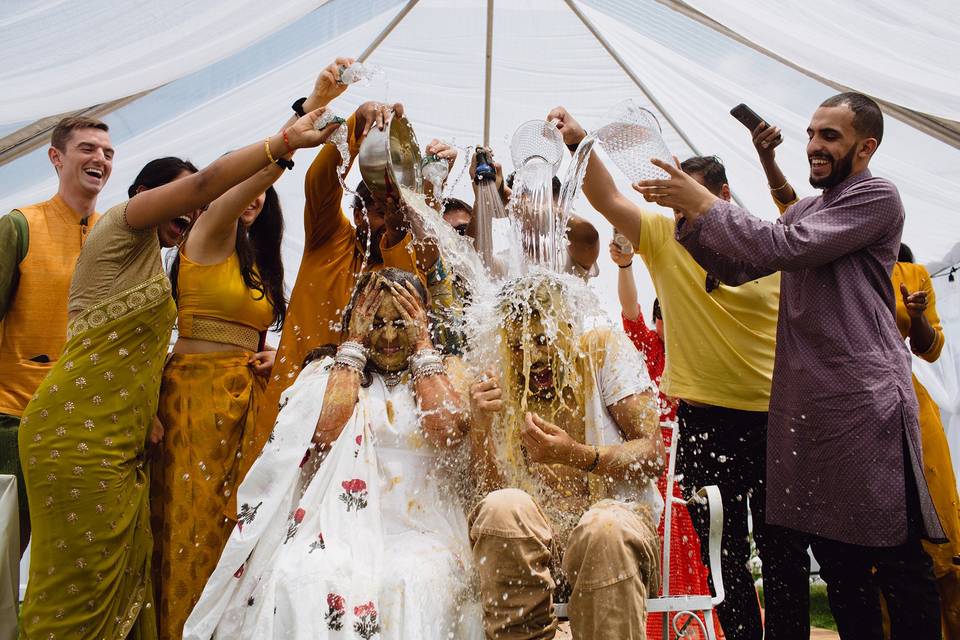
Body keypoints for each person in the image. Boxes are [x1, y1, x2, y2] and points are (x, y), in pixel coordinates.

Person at [16, 107, 340, 639]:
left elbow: (141, 359)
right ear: (148, 194)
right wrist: (288, 138)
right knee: (75, 585)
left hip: (128, 432)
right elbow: (214, 185)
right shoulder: (123, 225)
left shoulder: (149, 258)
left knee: (122, 577)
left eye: (107, 151)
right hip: (79, 430)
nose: (190, 208)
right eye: (182, 195)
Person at [634, 92, 945, 638]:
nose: (815, 145)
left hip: (864, 403)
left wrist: (705, 204)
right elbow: (738, 265)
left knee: (896, 557)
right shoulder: (810, 208)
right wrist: (689, 212)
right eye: (811, 133)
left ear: (866, 147)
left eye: (831, 136)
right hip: (813, 409)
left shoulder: (876, 196)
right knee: (841, 560)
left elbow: (786, 243)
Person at [548, 105, 795, 640]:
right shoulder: (666, 235)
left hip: (779, 422)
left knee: (782, 550)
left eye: (687, 199)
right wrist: (579, 143)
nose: (678, 212)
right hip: (705, 424)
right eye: (672, 201)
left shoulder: (771, 245)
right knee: (721, 551)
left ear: (723, 199)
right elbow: (608, 199)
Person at [148, 62, 351, 640]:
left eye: (263, 198)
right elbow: (236, 182)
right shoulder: (205, 235)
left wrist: (270, 353)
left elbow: (261, 327)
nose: (257, 202)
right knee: (194, 532)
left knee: (240, 527)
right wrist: (302, 116)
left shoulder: (254, 263)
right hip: (195, 398)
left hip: (248, 399)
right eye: (252, 193)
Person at [183, 268, 482, 639]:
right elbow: (323, 433)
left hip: (421, 528)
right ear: (355, 320)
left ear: (420, 321)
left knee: (406, 579)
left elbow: (449, 434)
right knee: (300, 576)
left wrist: (422, 348)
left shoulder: (444, 372)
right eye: (375, 321)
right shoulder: (328, 370)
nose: (388, 335)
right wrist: (353, 345)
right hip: (334, 528)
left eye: (400, 322)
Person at [468, 272, 664, 639]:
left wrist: (575, 454)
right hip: (542, 551)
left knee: (602, 528)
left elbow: (654, 455)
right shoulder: (499, 385)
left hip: (619, 537)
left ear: (567, 330)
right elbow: (486, 500)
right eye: (520, 347)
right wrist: (479, 428)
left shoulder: (602, 350)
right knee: (501, 509)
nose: (535, 358)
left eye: (544, 341)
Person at [255, 100, 435, 441]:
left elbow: (410, 303)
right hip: (292, 404)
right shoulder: (328, 240)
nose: (379, 217)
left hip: (371, 422)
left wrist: (399, 229)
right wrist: (356, 125)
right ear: (356, 211)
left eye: (389, 209)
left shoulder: (400, 259)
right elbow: (319, 184)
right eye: (372, 207)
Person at [0, 116, 112, 556]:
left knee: (72, 557)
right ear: (56, 157)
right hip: (16, 418)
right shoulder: (19, 226)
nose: (99, 159)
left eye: (107, 153)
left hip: (87, 424)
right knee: (7, 551)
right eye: (87, 148)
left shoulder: (116, 234)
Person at [609, 243, 715, 638]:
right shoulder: (649, 348)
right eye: (668, 317)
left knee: (684, 544)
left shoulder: (698, 357)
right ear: (657, 324)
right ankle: (652, 627)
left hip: (687, 473)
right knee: (657, 537)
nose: (678, 323)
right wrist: (625, 266)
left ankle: (684, 625)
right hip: (649, 470)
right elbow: (630, 309)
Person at [891, 246, 960, 637]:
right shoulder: (839, 265)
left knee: (937, 530)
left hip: (913, 407)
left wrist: (916, 318)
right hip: (855, 409)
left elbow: (930, 349)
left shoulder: (912, 273)